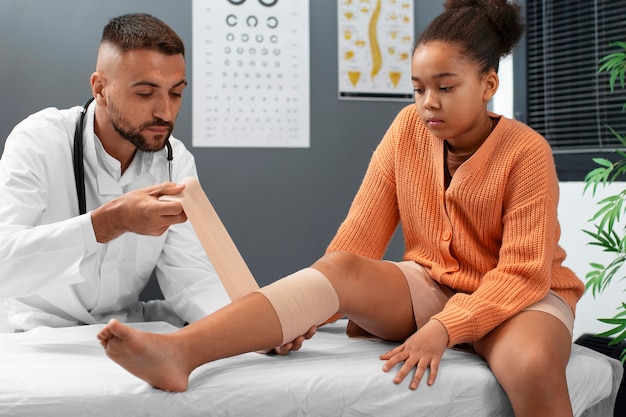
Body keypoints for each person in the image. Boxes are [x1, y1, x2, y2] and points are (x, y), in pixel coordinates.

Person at [97, 2, 585, 416]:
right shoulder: (407, 131)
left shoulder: (527, 151)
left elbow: (522, 273)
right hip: (435, 282)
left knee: (531, 367)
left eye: (446, 86)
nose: (427, 103)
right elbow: (359, 238)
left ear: (488, 84)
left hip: (520, 296)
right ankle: (180, 353)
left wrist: (445, 330)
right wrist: (311, 306)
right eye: (417, 88)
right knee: (339, 269)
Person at [0, 13, 232, 331]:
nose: (165, 112)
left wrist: (251, 327)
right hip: (34, 328)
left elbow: (191, 276)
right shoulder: (39, 141)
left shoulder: (175, 160)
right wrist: (109, 222)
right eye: (145, 94)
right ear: (100, 89)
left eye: (176, 93)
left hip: (121, 327)